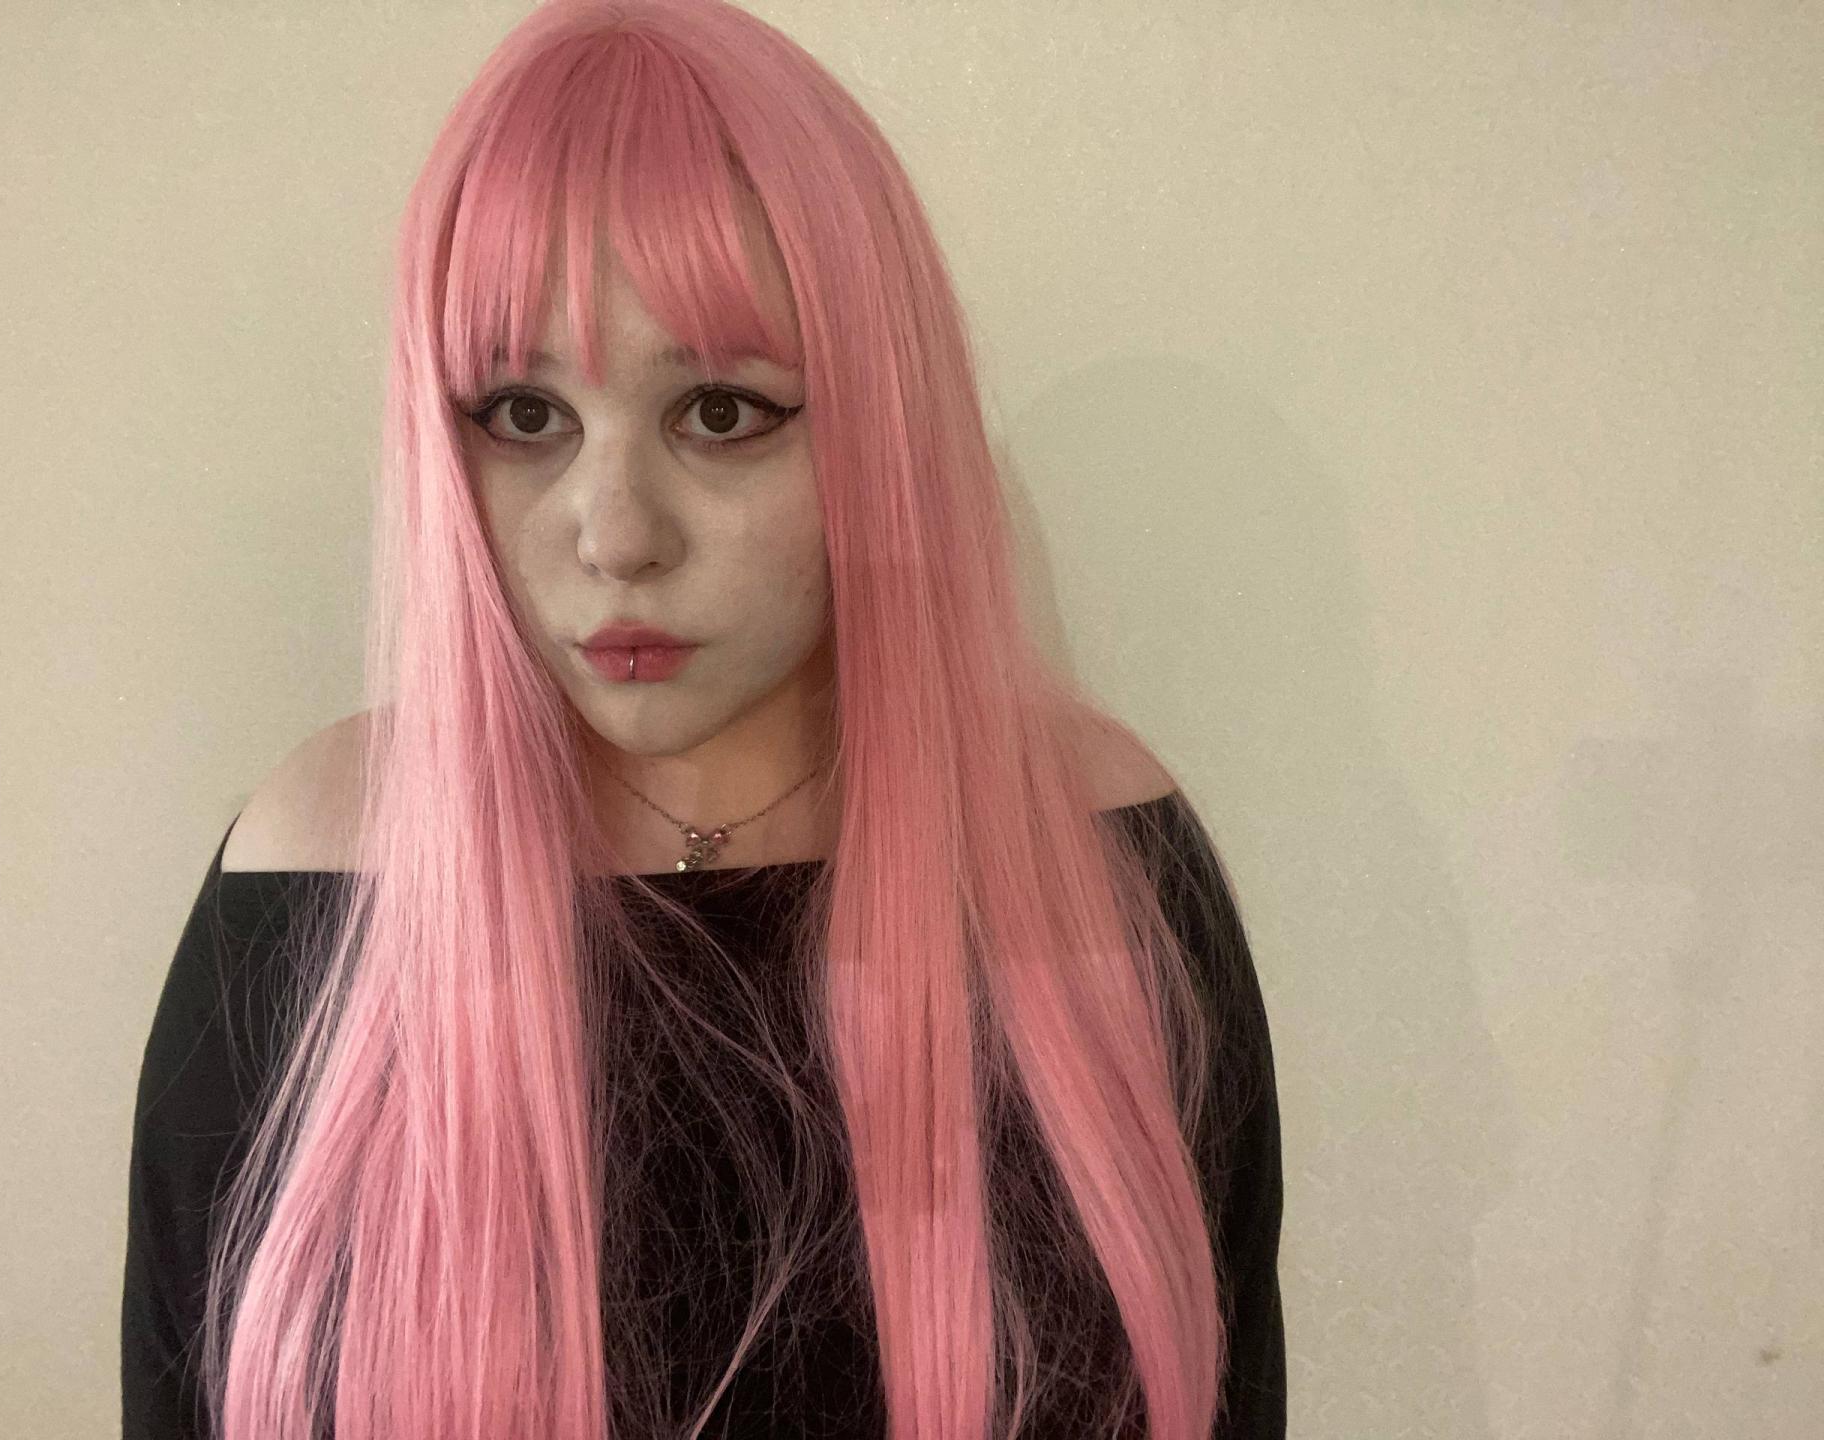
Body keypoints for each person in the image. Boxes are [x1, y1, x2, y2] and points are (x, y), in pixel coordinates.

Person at [121, 1, 1286, 1437]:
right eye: (524, 416)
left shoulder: (1099, 861)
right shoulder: (314, 880)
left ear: (885, 423)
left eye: (723, 413)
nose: (615, 536)